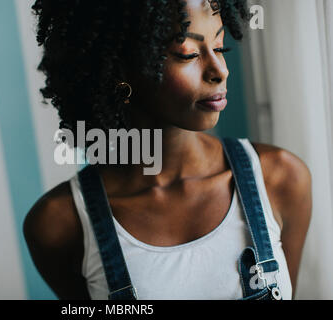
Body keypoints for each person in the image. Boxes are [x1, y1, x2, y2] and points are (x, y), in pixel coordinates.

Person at [23, 0, 312, 300]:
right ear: (121, 69)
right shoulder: (59, 224)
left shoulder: (281, 177)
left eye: (220, 47)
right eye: (187, 54)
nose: (220, 71)